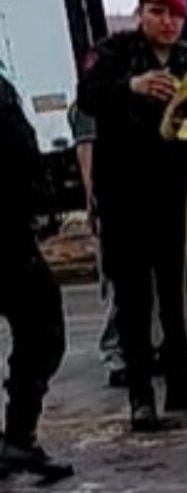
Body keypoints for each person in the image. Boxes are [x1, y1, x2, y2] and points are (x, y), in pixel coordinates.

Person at [77, 0, 187, 432]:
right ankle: (142, 398)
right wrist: (132, 87)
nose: (166, 23)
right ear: (141, 13)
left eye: (174, 15)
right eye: (157, 13)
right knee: (134, 301)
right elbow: (87, 99)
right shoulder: (113, 53)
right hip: (124, 197)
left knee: (177, 295)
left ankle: (181, 384)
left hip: (172, 198)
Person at [0, 67, 73, 481]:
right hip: (6, 237)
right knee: (42, 329)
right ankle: (17, 440)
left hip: (12, 232)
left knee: (42, 332)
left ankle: (17, 438)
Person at [68, 101, 128, 388]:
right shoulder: (91, 104)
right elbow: (86, 152)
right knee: (118, 281)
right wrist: (94, 203)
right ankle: (116, 353)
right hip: (113, 203)